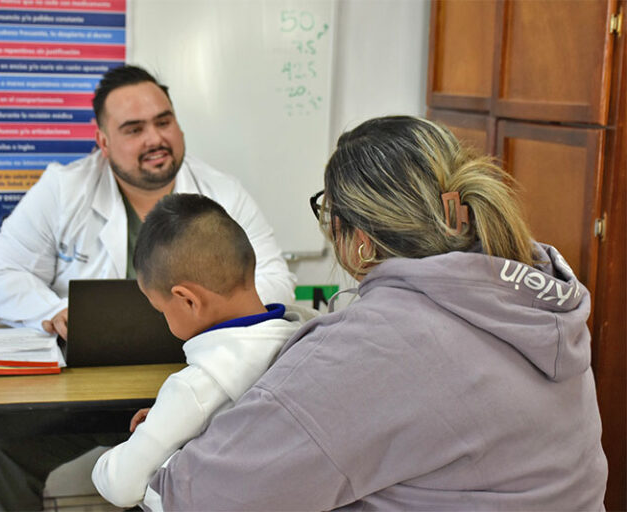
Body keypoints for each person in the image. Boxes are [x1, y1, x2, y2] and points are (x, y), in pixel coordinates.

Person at [143, 116, 608, 511]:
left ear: (359, 241)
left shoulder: (373, 345)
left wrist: (168, 447)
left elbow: (204, 495)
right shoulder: (536, 299)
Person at [0, 65, 296, 511]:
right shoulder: (64, 190)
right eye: (133, 129)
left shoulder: (221, 194)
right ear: (103, 142)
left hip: (190, 384)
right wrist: (54, 309)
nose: (155, 139)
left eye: (163, 121)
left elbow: (275, 281)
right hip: (81, 393)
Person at [91, 193, 317, 508]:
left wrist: (117, 455)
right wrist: (166, 419)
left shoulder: (193, 388)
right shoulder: (310, 336)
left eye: (160, 310)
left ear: (188, 300)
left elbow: (120, 485)